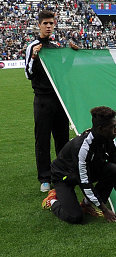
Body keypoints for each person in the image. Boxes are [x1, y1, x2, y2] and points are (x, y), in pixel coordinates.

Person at [41, 106, 116, 224]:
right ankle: (52, 200)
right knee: (75, 217)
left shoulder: (110, 139)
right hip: (63, 176)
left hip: (82, 171)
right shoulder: (82, 147)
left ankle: (86, 205)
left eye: (115, 125)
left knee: (112, 169)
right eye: (112, 127)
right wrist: (104, 210)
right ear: (100, 129)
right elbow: (84, 181)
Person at [25, 10, 78, 192]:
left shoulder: (55, 47)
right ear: (39, 25)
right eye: (45, 23)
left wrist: (71, 55)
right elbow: (28, 73)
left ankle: (61, 174)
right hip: (42, 101)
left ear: (54, 25)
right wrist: (33, 57)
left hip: (58, 99)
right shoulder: (33, 46)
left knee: (62, 139)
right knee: (42, 140)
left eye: (51, 23)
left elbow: (62, 73)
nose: (48, 26)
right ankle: (45, 178)